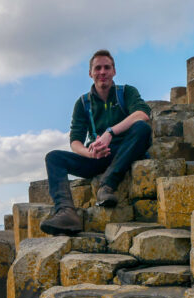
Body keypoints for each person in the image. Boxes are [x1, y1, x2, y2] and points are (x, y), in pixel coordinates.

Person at [40, 49, 152, 235]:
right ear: (90, 73)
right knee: (54, 158)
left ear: (114, 71)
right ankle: (66, 212)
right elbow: (75, 141)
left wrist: (110, 132)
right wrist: (90, 153)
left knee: (142, 128)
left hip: (126, 151)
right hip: (98, 156)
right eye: (98, 68)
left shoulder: (126, 92)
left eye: (107, 67)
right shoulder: (83, 103)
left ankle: (107, 185)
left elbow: (142, 114)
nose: (102, 72)